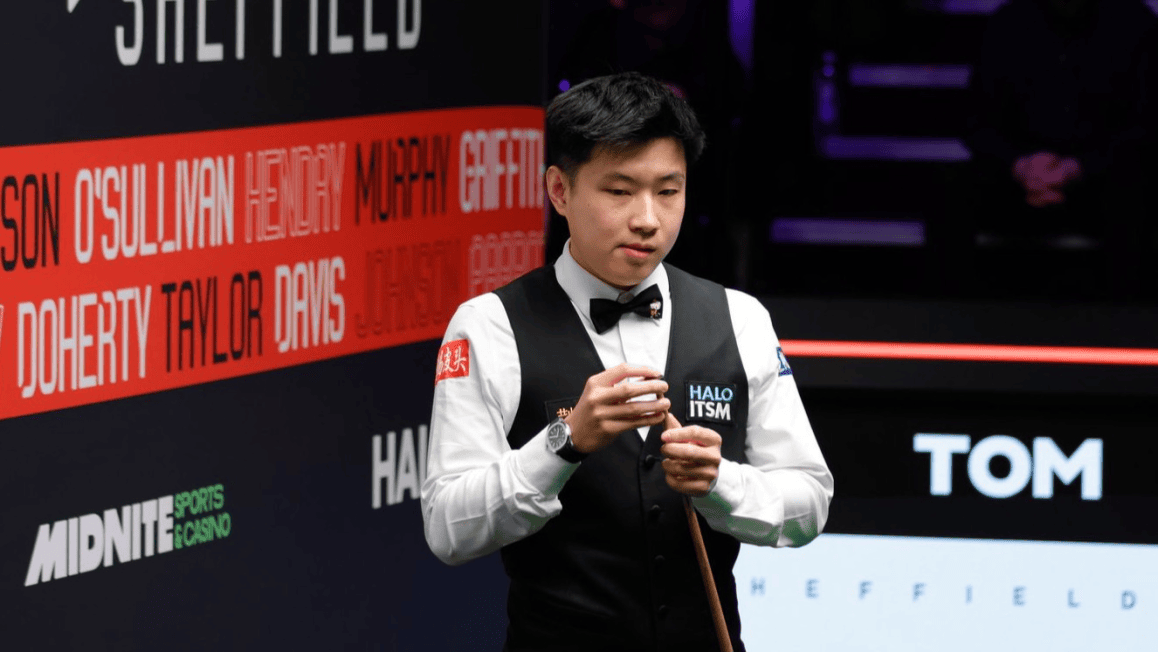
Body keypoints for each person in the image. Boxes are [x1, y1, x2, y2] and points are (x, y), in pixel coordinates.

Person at [420, 72, 833, 652]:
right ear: (559, 191)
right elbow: (447, 528)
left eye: (669, 191)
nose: (648, 219)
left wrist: (721, 483)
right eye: (619, 191)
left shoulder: (740, 319)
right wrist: (564, 442)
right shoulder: (489, 326)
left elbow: (809, 504)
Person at [964, 0, 1158, 299]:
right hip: (1020, 174)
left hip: (1103, 175)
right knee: (951, 192)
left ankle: (1126, 314)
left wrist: (1077, 168)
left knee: (1134, 193)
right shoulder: (1008, 22)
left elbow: (1147, 124)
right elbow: (975, 121)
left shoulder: (1135, 23)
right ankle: (951, 313)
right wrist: (1020, 166)